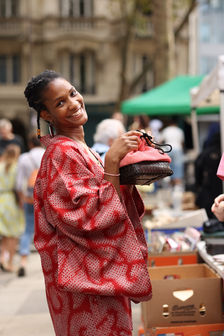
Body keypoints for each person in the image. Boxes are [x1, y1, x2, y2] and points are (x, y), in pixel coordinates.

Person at [24, 70, 152, 336]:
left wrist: (128, 167)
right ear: (46, 115)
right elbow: (87, 217)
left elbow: (107, 201)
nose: (73, 103)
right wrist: (113, 161)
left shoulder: (81, 149)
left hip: (99, 278)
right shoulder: (61, 152)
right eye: (60, 103)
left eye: (72, 93)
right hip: (85, 287)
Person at [16, 132, 45, 277]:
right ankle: (49, 263)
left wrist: (21, 199)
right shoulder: (47, 154)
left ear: (30, 144)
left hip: (29, 197)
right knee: (47, 230)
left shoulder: (23, 158)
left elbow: (19, 182)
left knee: (28, 229)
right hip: (45, 199)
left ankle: (22, 261)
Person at [0, 144, 24, 272]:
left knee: (4, 234)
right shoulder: (16, 168)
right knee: (13, 234)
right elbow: (19, 187)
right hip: (11, 202)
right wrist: (22, 202)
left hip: (1, 200)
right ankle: (9, 262)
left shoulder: (0, 167)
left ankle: (2, 258)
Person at [194, 131, 222, 218]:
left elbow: (197, 168)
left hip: (208, 190)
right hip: (220, 188)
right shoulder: (221, 152)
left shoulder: (205, 153)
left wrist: (198, 184)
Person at [160, 117, 185, 187]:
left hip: (168, 149)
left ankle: (169, 187)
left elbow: (160, 141)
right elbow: (182, 143)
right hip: (178, 149)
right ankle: (177, 189)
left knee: (167, 169)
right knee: (178, 169)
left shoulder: (166, 130)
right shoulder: (179, 130)